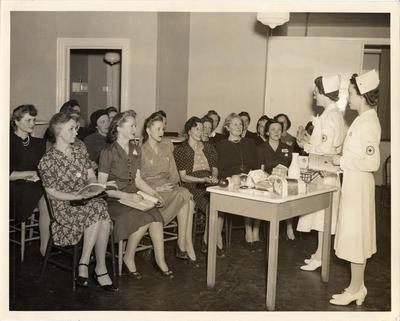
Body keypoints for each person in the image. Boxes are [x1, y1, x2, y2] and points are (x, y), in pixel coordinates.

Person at [38, 112, 117, 291]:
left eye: (76, 128)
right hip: (64, 207)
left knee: (98, 207)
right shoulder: (47, 160)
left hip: (85, 200)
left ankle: (85, 263)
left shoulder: (79, 151)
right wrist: (77, 197)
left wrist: (91, 186)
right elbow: (51, 193)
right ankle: (97, 268)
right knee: (101, 213)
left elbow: (90, 175)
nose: (76, 132)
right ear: (59, 132)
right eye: (72, 129)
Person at [98, 110, 173, 279]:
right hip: (114, 199)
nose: (135, 128)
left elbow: (138, 180)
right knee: (143, 217)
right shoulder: (107, 152)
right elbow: (101, 188)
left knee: (155, 215)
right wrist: (126, 197)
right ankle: (128, 257)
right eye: (131, 125)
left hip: (134, 195)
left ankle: (160, 260)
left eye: (135, 125)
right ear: (118, 127)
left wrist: (154, 194)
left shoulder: (134, 149)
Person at [330, 70, 381, 305]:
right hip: (353, 184)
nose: (347, 97)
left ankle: (355, 289)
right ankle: (357, 287)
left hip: (359, 188)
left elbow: (372, 162)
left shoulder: (369, 122)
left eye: (351, 93)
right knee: (354, 238)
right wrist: (339, 163)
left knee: (356, 238)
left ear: (362, 95)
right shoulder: (362, 119)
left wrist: (341, 161)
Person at [296, 75, 346, 271]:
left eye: (316, 91)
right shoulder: (330, 114)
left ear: (324, 92)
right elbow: (324, 144)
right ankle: (319, 253)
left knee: (324, 216)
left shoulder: (331, 116)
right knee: (320, 216)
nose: (314, 94)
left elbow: (325, 149)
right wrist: (308, 141)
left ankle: (321, 256)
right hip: (323, 170)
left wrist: (306, 145)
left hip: (325, 172)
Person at [140, 113, 198, 265]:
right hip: (149, 191)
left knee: (185, 197)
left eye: (162, 129)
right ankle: (183, 245)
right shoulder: (140, 151)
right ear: (148, 130)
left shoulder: (166, 148)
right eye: (157, 129)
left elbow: (173, 174)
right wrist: (157, 187)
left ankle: (182, 244)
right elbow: (138, 180)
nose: (161, 132)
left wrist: (172, 186)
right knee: (187, 199)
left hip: (168, 188)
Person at [173, 117, 221, 255]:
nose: (201, 132)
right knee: (211, 205)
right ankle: (207, 243)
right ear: (189, 131)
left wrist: (214, 176)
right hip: (192, 183)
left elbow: (215, 167)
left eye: (202, 129)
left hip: (209, 180)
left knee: (221, 200)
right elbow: (183, 177)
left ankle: (207, 240)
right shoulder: (182, 150)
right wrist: (202, 180)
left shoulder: (209, 147)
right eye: (197, 129)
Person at [9, 104, 49, 256]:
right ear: (16, 121)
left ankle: (45, 245)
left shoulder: (38, 144)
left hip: (35, 184)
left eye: (33, 120)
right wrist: (29, 174)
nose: (32, 124)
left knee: (48, 196)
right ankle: (45, 246)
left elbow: (42, 168)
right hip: (14, 187)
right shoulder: (7, 142)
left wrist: (39, 174)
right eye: (28, 120)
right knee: (45, 196)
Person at [215, 113, 259, 249]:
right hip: (231, 179)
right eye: (235, 124)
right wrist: (238, 174)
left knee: (255, 186)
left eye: (240, 124)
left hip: (249, 177)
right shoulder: (221, 145)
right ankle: (248, 229)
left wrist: (249, 174)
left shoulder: (249, 143)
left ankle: (255, 231)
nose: (239, 127)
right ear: (227, 127)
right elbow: (220, 169)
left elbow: (256, 165)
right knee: (240, 183)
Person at [257, 119, 295, 240]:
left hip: (284, 181)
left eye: (279, 129)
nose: (276, 132)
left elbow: (291, 169)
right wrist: (269, 179)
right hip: (267, 181)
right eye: (273, 129)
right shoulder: (261, 148)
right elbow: (260, 170)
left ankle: (289, 226)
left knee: (291, 190)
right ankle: (257, 229)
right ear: (267, 132)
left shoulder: (287, 148)